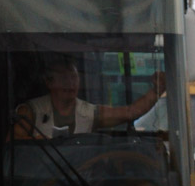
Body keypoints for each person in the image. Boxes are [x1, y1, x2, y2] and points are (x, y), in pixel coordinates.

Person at [14, 55, 164, 139]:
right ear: (48, 82)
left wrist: (157, 90)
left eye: (74, 77)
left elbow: (131, 112)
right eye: (64, 78)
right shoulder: (30, 112)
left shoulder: (89, 113)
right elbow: (13, 145)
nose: (70, 83)